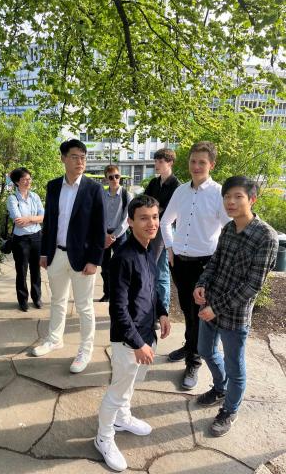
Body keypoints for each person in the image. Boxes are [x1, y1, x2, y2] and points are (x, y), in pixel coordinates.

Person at [194, 176, 278, 437]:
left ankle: (230, 409)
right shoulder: (229, 228)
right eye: (227, 197)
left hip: (234, 314)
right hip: (210, 304)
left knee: (235, 365)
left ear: (252, 199)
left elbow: (252, 286)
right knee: (205, 350)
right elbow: (215, 262)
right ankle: (220, 388)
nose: (230, 202)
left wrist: (215, 308)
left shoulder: (266, 237)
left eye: (238, 196)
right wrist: (201, 283)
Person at [95, 195, 171, 472]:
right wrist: (138, 343)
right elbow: (118, 308)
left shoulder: (149, 250)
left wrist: (162, 312)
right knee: (117, 390)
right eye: (144, 218)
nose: (151, 223)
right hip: (129, 340)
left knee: (130, 386)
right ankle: (103, 437)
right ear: (130, 222)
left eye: (154, 217)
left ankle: (122, 418)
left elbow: (150, 290)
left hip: (145, 334)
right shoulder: (123, 258)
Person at [31, 139, 106, 374]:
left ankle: (85, 349)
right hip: (56, 255)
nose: (80, 161)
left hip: (83, 259)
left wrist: (95, 260)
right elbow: (50, 222)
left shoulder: (94, 189)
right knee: (57, 301)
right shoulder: (53, 186)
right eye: (75, 156)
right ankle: (55, 339)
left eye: (83, 157)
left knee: (84, 307)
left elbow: (99, 227)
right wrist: (44, 252)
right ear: (63, 158)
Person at [160, 141, 230, 390]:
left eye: (202, 162)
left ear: (211, 164)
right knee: (188, 312)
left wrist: (219, 263)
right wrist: (169, 248)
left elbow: (228, 231)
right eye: (193, 161)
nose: (196, 166)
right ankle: (190, 346)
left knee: (199, 316)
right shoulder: (180, 191)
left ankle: (194, 362)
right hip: (180, 263)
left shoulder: (219, 194)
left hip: (205, 266)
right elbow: (165, 221)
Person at [144, 148, 181, 311]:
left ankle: (163, 311)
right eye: (155, 161)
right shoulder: (154, 182)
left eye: (160, 161)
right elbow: (145, 202)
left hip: (165, 234)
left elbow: (170, 213)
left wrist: (156, 210)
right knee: (149, 269)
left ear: (170, 162)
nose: (156, 165)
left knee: (161, 273)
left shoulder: (176, 185)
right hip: (150, 231)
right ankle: (150, 307)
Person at [7, 167, 44, 312]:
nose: (29, 181)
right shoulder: (12, 198)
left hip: (36, 237)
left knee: (36, 270)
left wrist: (28, 219)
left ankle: (37, 298)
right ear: (17, 182)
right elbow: (18, 221)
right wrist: (35, 219)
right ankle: (22, 300)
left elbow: (43, 216)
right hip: (21, 240)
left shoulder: (35, 196)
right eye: (25, 179)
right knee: (21, 271)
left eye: (29, 178)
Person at [99, 164, 132, 302]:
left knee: (121, 266)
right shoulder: (102, 195)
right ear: (106, 179)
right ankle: (107, 293)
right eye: (111, 177)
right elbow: (98, 216)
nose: (114, 179)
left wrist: (113, 236)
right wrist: (105, 234)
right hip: (104, 234)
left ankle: (121, 294)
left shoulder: (126, 194)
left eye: (117, 176)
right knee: (105, 267)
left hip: (119, 236)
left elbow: (126, 219)